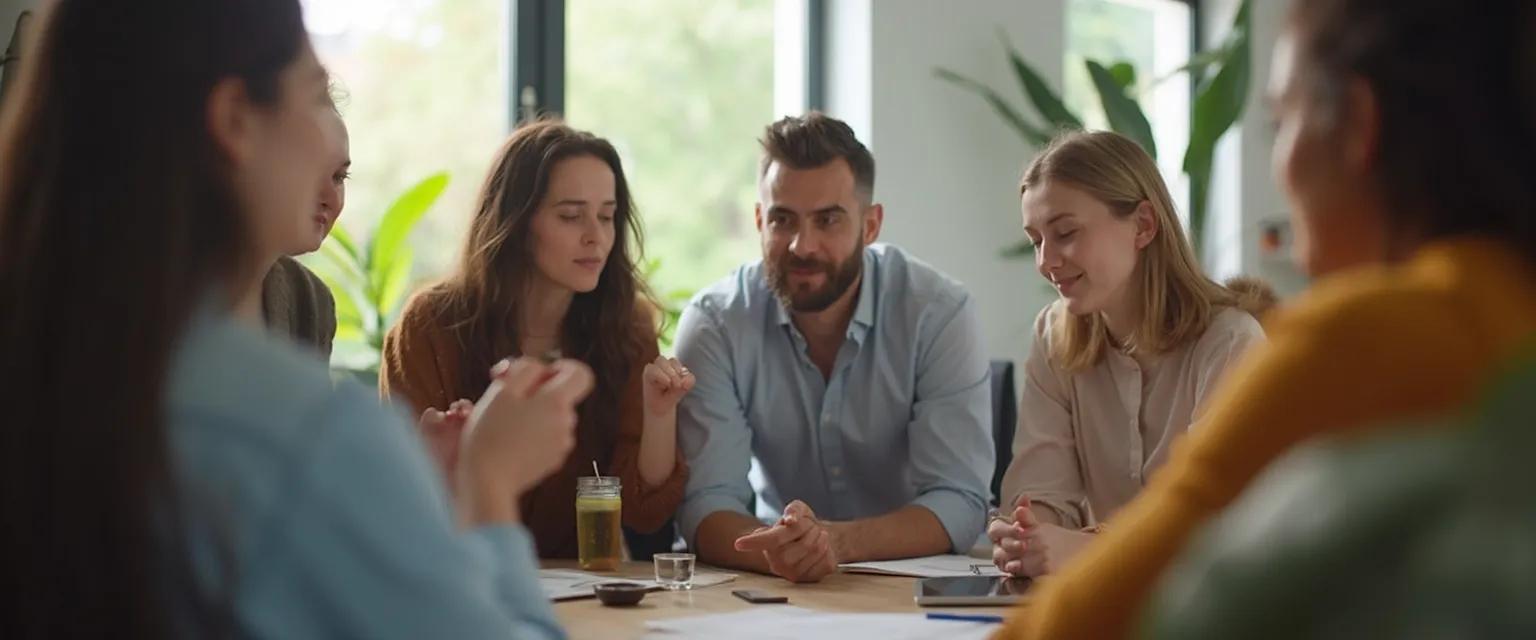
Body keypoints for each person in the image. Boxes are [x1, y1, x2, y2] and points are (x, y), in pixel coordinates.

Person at [0, 1, 587, 637]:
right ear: (234, 121)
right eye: (314, 93)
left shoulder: (52, 367)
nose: (330, 141)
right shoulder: (305, 431)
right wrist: (490, 484)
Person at [999, 0, 1536, 637]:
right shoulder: (1500, 316)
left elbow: (1109, 605)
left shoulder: (1368, 339)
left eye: (1280, 120)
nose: (1278, 163)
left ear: (1358, 125)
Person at [675, 112, 994, 583]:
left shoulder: (938, 314)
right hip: (773, 581)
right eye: (783, 220)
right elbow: (706, 502)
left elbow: (958, 500)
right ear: (760, 220)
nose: (803, 246)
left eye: (828, 220)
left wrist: (833, 543)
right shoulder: (715, 324)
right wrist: (781, 554)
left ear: (870, 225)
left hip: (908, 584)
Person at [380, 119, 692, 558]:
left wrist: (659, 416)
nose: (596, 236)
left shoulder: (627, 327)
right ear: (515, 221)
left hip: (581, 589)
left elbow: (644, 515)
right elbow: (401, 508)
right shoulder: (430, 327)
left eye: (607, 216)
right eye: (570, 215)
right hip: (462, 579)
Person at [989, 130, 1271, 577]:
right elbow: (1039, 490)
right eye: (1035, 240)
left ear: (1143, 225)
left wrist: (1084, 548)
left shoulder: (1231, 342)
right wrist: (1027, 533)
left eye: (1065, 233)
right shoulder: (1053, 334)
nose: (1045, 262)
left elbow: (1210, 520)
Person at [258, 100, 349, 357]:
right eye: (312, 169)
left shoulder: (311, 300)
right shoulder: (164, 286)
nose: (329, 197)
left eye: (339, 177)